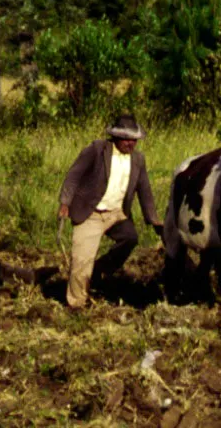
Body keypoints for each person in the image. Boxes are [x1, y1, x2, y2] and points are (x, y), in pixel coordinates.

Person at [58, 114, 164, 309]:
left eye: (134, 140)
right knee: (81, 261)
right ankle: (76, 305)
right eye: (126, 139)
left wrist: (154, 220)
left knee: (130, 238)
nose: (130, 143)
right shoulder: (97, 149)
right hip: (91, 213)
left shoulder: (138, 160)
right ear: (115, 137)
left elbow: (145, 190)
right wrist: (65, 201)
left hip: (116, 213)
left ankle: (99, 271)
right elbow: (74, 174)